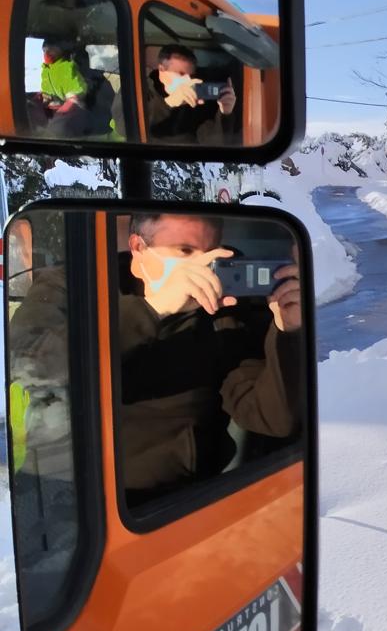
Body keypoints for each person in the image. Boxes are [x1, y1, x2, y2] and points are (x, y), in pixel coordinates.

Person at [119, 212, 302, 504]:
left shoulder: (224, 314)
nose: (201, 268)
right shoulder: (82, 283)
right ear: (138, 247)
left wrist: (287, 331)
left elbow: (271, 418)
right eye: (185, 251)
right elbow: (38, 365)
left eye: (211, 254)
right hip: (77, 498)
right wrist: (155, 309)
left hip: (187, 503)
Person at [145, 44, 238, 145]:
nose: (187, 80)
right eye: (181, 73)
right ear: (162, 70)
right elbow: (135, 129)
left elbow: (214, 145)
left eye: (190, 75)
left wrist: (225, 114)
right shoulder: (143, 88)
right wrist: (169, 103)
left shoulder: (199, 107)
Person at [35, 39, 90, 137]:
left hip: (74, 107)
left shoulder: (67, 67)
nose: (47, 54)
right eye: (44, 50)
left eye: (51, 50)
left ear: (60, 51)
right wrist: (44, 96)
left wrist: (72, 99)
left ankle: (50, 138)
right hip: (55, 106)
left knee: (57, 127)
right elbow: (46, 87)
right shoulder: (46, 69)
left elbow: (79, 88)